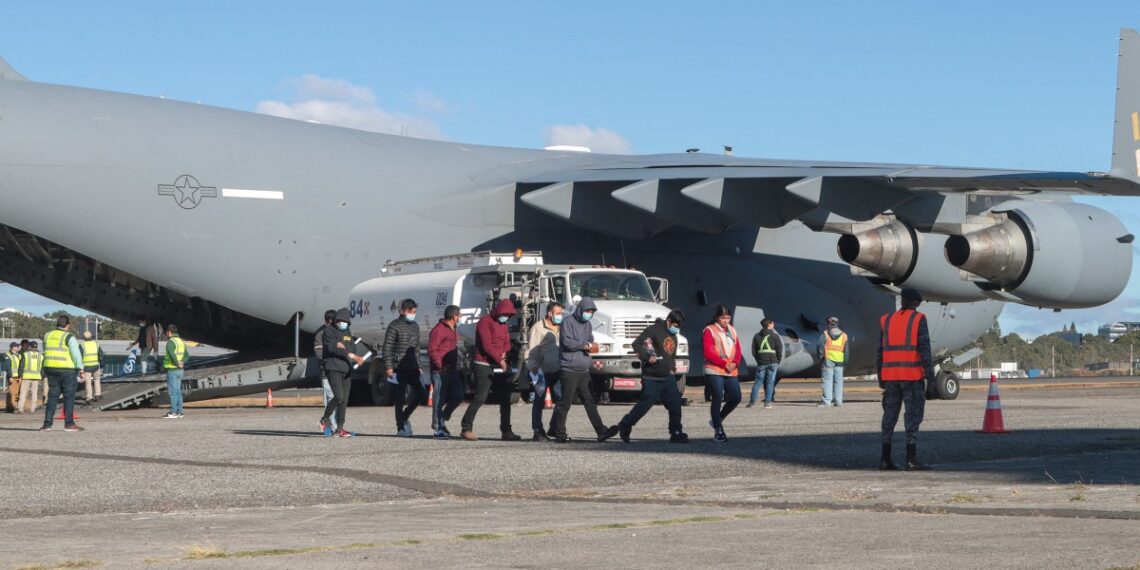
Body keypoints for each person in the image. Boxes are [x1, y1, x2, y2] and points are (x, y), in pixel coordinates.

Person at [607, 309, 689, 443]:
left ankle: (676, 431)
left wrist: (672, 369)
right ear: (669, 322)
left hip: (667, 377)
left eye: (679, 327)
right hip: (652, 377)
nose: (677, 329)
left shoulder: (673, 335)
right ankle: (625, 425)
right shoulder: (654, 330)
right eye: (675, 326)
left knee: (675, 405)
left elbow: (671, 354)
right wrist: (646, 358)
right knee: (643, 406)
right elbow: (637, 344)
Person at [878, 288, 935, 471]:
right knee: (912, 417)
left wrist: (880, 375)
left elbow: (879, 351)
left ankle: (885, 459)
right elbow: (924, 349)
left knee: (889, 417)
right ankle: (911, 460)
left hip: (890, 377)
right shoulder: (919, 319)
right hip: (912, 376)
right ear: (915, 302)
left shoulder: (886, 320)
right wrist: (931, 377)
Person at [552, 296, 619, 443]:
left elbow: (590, 339)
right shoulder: (567, 322)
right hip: (569, 368)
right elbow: (566, 342)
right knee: (566, 402)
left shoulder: (588, 324)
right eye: (587, 310)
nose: (589, 313)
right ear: (581, 309)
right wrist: (584, 345)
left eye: (591, 311)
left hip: (583, 369)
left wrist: (592, 345)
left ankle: (601, 431)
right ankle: (559, 433)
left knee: (589, 401)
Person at [460, 299, 522, 441]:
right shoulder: (485, 322)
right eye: (504, 314)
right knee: (481, 397)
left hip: (499, 365)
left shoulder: (504, 323)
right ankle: (466, 428)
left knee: (505, 398)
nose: (505, 317)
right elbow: (487, 345)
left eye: (508, 315)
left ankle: (506, 431)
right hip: (483, 364)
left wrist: (505, 353)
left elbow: (506, 342)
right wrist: (500, 361)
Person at [385, 299, 427, 437]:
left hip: (413, 367)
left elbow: (416, 348)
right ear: (402, 311)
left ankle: (404, 416)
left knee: (421, 393)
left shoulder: (415, 326)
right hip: (398, 368)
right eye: (410, 311)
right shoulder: (394, 326)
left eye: (414, 312)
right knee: (400, 397)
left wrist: (419, 365)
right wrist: (389, 367)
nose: (412, 314)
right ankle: (401, 427)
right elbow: (388, 347)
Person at [319, 308, 364, 437]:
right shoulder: (328, 331)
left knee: (344, 400)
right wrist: (348, 353)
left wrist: (344, 348)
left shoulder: (347, 331)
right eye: (340, 321)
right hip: (333, 367)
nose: (342, 323)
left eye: (345, 321)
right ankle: (325, 419)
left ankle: (340, 428)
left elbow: (352, 346)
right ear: (336, 320)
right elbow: (333, 348)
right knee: (339, 396)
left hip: (346, 368)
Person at [702, 304, 743, 442]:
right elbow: (708, 352)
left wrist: (735, 363)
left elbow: (738, 349)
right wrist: (725, 364)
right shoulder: (709, 330)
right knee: (718, 397)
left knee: (736, 397)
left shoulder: (732, 330)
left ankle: (717, 419)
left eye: (728, 317)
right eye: (723, 318)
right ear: (717, 317)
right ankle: (718, 431)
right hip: (715, 369)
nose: (726, 320)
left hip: (731, 370)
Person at [526, 302, 564, 441]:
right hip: (541, 370)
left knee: (562, 399)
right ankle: (537, 431)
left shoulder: (562, 328)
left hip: (558, 369)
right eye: (558, 313)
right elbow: (531, 350)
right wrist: (533, 369)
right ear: (550, 313)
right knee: (539, 400)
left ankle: (554, 428)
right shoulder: (538, 328)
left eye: (562, 313)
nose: (561, 316)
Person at [41, 316, 84, 431]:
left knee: (52, 396)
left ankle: (47, 424)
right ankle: (69, 424)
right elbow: (76, 354)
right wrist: (80, 368)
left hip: (50, 368)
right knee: (69, 396)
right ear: (67, 325)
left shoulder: (47, 335)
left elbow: (45, 350)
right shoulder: (69, 336)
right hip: (66, 370)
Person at [428, 305, 464, 439]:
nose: (460, 318)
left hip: (452, 370)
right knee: (439, 399)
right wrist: (439, 365)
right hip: (440, 371)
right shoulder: (439, 330)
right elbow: (432, 350)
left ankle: (443, 417)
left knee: (459, 395)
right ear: (455, 317)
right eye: (459, 315)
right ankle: (438, 429)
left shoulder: (454, 329)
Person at [313, 309, 338, 432]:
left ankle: (333, 425)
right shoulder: (320, 333)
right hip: (326, 371)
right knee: (329, 397)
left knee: (337, 398)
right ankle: (332, 426)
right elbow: (319, 352)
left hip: (337, 370)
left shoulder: (339, 332)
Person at [749, 318, 783, 408]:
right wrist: (778, 359)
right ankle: (767, 403)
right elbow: (779, 349)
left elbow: (754, 351)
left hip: (761, 362)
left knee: (757, 382)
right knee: (770, 382)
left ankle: (752, 403)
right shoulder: (775, 336)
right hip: (773, 361)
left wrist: (758, 360)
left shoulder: (756, 336)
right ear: (770, 324)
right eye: (772, 323)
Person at [817, 316, 849, 407]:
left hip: (828, 359)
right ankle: (838, 401)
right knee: (838, 381)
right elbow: (846, 351)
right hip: (839, 361)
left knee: (827, 380)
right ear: (837, 323)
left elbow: (820, 347)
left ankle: (827, 401)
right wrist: (845, 361)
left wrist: (820, 358)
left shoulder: (825, 334)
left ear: (829, 323)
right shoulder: (844, 335)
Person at [161, 324, 190, 419]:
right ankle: (180, 412)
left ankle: (173, 412)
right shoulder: (180, 341)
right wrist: (182, 362)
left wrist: (177, 363)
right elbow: (187, 355)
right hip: (180, 370)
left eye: (166, 333)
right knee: (178, 391)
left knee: (172, 392)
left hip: (172, 369)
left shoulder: (171, 342)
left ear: (169, 332)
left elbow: (172, 354)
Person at [17, 341, 43, 413]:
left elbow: (21, 366)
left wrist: (20, 376)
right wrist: (42, 376)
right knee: (34, 393)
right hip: (36, 377)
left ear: (30, 346)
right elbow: (42, 368)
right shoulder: (41, 356)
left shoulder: (25, 355)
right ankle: (32, 408)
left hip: (26, 377)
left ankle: (20, 408)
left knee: (23, 393)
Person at [80, 331, 104, 403]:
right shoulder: (96, 344)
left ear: (84, 338)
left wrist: (81, 370)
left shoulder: (82, 345)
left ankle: (89, 398)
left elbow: (79, 357)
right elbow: (101, 355)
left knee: (88, 382)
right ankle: (97, 395)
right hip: (96, 365)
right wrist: (101, 364)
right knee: (97, 380)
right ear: (91, 336)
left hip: (86, 367)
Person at [4, 341, 20, 413]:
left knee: (16, 393)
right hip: (12, 377)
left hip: (18, 377)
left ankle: (10, 406)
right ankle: (14, 407)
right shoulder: (8, 355)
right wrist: (10, 376)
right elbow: (8, 367)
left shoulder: (19, 355)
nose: (18, 347)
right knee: (13, 393)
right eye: (17, 346)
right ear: (13, 347)